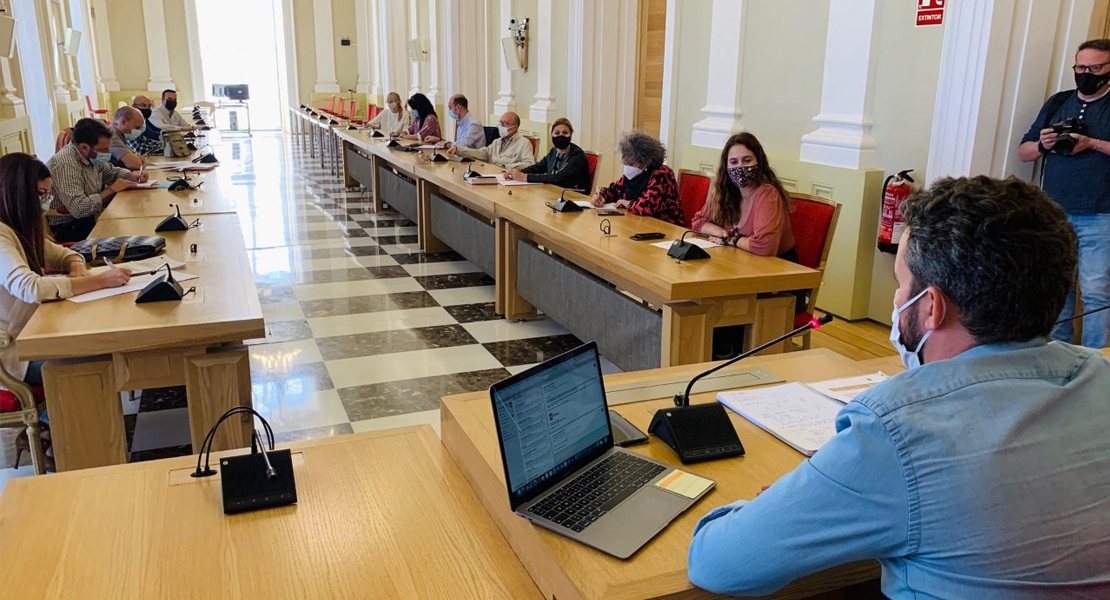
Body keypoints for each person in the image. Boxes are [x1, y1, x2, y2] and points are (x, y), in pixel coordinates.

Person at [687, 176, 1110, 598]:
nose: (895, 299)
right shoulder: (1100, 375)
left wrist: (770, 506)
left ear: (930, 307)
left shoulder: (896, 430)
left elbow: (717, 562)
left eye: (899, 283)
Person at [0, 153, 131, 387]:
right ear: (17, 194)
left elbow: (64, 254)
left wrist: (77, 267)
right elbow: (30, 287)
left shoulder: (16, 225)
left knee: (105, 342)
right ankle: (69, 419)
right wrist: (99, 281)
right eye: (41, 195)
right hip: (15, 353)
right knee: (98, 359)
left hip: (36, 328)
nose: (46, 201)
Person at [1019, 38, 1110, 349]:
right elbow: (1025, 152)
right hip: (1054, 213)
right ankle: (1060, 351)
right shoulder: (1058, 102)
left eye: (1095, 68)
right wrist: (1044, 144)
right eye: (1080, 67)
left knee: (1097, 289)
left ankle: (1098, 357)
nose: (1086, 73)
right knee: (1060, 286)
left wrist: (1092, 143)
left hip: (1101, 213)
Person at [692, 133, 795, 258]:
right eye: (734, 162)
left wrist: (733, 239)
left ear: (759, 161)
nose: (740, 167)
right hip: (739, 260)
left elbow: (764, 247)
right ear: (726, 166)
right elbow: (698, 223)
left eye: (747, 160)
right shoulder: (725, 191)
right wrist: (719, 232)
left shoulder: (767, 193)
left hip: (779, 268)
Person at [46, 118, 147, 242]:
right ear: (84, 147)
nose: (108, 153)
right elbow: (79, 209)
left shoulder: (91, 156)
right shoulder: (66, 163)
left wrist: (132, 176)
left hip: (91, 216)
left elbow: (112, 172)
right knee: (131, 234)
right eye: (103, 150)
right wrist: (111, 190)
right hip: (69, 226)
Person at [590, 130, 682, 226]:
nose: (628, 168)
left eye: (631, 164)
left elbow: (646, 207)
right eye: (625, 163)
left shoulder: (662, 174)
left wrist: (628, 203)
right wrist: (601, 196)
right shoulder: (634, 174)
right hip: (637, 223)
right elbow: (614, 191)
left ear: (645, 161)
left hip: (664, 227)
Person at [503, 118, 591, 192]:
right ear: (551, 135)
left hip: (574, 196)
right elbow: (538, 167)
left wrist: (525, 177)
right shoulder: (554, 151)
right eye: (557, 133)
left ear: (571, 134)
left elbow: (559, 178)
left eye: (565, 133)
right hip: (554, 192)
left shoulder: (578, 156)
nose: (561, 136)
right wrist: (517, 173)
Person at [445, 111, 534, 169]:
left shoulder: (524, 143)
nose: (501, 126)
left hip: (509, 179)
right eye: (500, 123)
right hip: (492, 176)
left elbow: (529, 164)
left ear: (514, 127)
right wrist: (458, 149)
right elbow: (482, 153)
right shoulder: (497, 142)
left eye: (505, 123)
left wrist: (505, 167)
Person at [108, 106, 147, 170]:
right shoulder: (111, 136)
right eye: (137, 128)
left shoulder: (120, 135)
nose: (139, 131)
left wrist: (137, 159)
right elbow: (135, 164)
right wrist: (137, 160)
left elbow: (140, 158)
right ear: (123, 122)